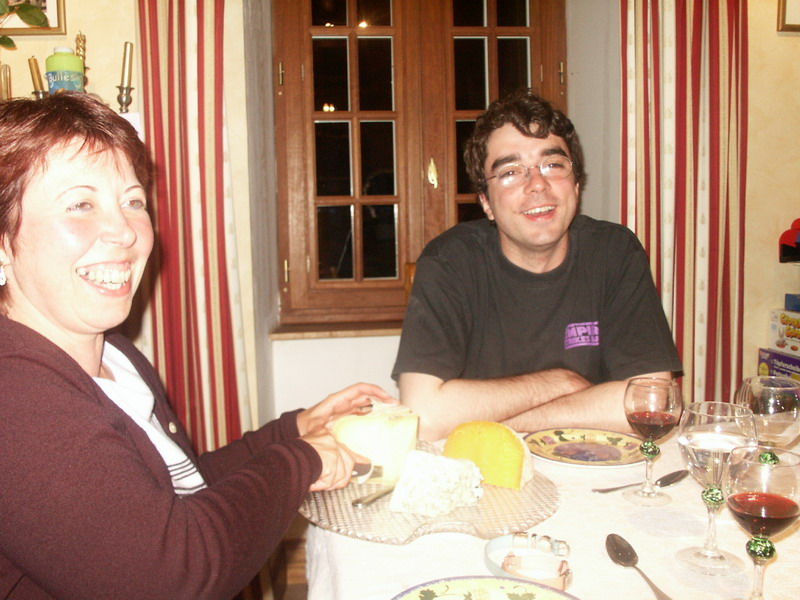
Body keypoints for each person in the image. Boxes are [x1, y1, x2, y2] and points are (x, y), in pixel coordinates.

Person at [0, 93, 394, 600]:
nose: (125, 231)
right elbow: (170, 577)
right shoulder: (16, 397)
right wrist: (302, 459)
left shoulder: (116, 355)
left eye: (133, 201)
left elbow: (179, 493)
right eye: (80, 204)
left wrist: (295, 429)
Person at [393, 88, 682, 441]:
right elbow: (423, 417)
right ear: (486, 202)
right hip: (484, 466)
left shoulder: (615, 252)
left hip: (591, 463)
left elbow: (654, 402)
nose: (537, 185)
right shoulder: (448, 261)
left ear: (576, 185)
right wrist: (560, 382)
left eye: (553, 165)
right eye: (511, 171)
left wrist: (504, 419)